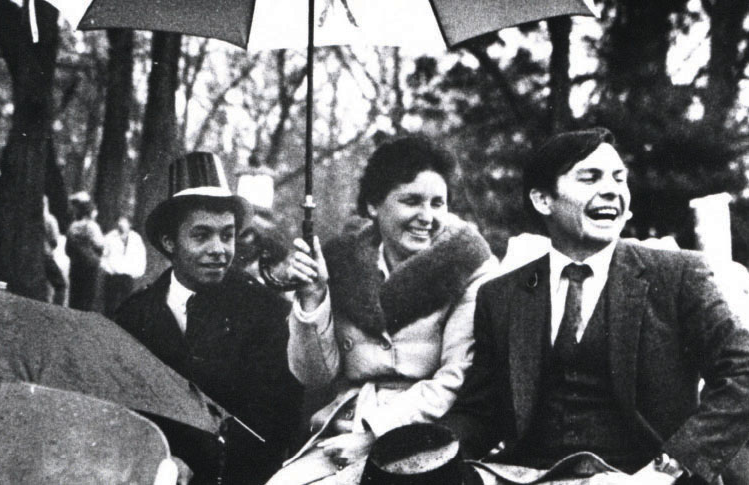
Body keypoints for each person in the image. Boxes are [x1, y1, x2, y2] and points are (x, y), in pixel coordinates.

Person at [442, 127, 749, 484]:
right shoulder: (501, 295)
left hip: (643, 477)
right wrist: (417, 454)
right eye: (590, 177)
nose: (612, 191)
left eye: (620, 179)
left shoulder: (678, 276)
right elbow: (480, 413)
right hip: (528, 475)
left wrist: (666, 469)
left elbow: (742, 371)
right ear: (544, 201)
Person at [267, 136, 496, 484]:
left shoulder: (470, 267)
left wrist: (373, 435)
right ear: (374, 205)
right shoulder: (343, 263)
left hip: (428, 433)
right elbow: (314, 374)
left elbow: (455, 378)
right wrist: (313, 296)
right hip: (344, 425)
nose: (427, 217)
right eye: (411, 201)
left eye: (438, 203)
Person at [114, 152, 302, 485]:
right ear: (169, 242)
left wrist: (202, 468)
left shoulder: (266, 312)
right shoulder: (132, 317)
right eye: (201, 236)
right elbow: (119, 415)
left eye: (227, 235)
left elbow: (275, 424)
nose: (219, 249)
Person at [101, 215, 146, 317]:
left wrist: (137, 272)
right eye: (119, 222)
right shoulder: (110, 237)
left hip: (127, 277)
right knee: (110, 304)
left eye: (124, 222)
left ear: (130, 224)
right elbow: (103, 256)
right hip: (112, 276)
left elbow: (141, 257)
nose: (121, 224)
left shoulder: (136, 239)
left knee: (125, 303)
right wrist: (108, 269)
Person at [66, 196, 104, 311]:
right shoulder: (93, 226)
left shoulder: (73, 226)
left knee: (75, 293)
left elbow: (68, 247)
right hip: (90, 264)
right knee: (88, 294)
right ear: (91, 212)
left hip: (76, 263)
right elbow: (100, 244)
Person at [43, 196, 67, 306]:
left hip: (30, 255)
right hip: (46, 254)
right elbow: (54, 240)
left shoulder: (27, 218)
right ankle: (57, 308)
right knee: (61, 284)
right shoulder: (49, 220)